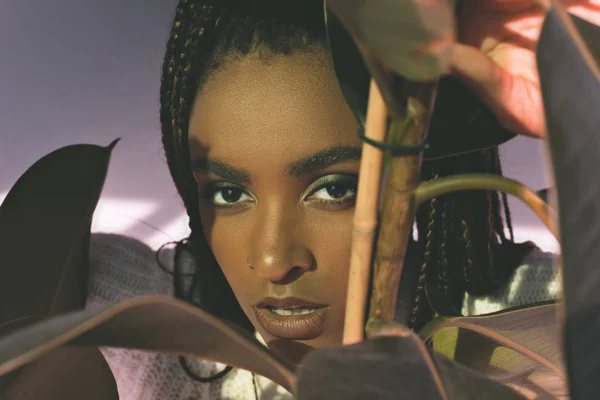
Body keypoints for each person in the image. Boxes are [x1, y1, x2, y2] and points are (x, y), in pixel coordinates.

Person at [86, 0, 597, 398]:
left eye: (334, 188)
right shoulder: (142, 317)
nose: (271, 261)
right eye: (228, 192)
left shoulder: (544, 309)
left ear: (417, 171)